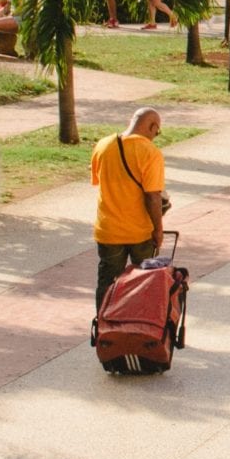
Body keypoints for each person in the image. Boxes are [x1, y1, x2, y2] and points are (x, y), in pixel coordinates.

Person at [91, 106, 170, 312]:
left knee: (107, 282)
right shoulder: (150, 152)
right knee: (144, 282)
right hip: (140, 233)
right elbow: (152, 196)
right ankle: (141, 330)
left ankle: (104, 330)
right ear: (152, 126)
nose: (155, 136)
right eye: (157, 131)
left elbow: (101, 182)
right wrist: (158, 230)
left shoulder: (103, 145)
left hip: (108, 230)